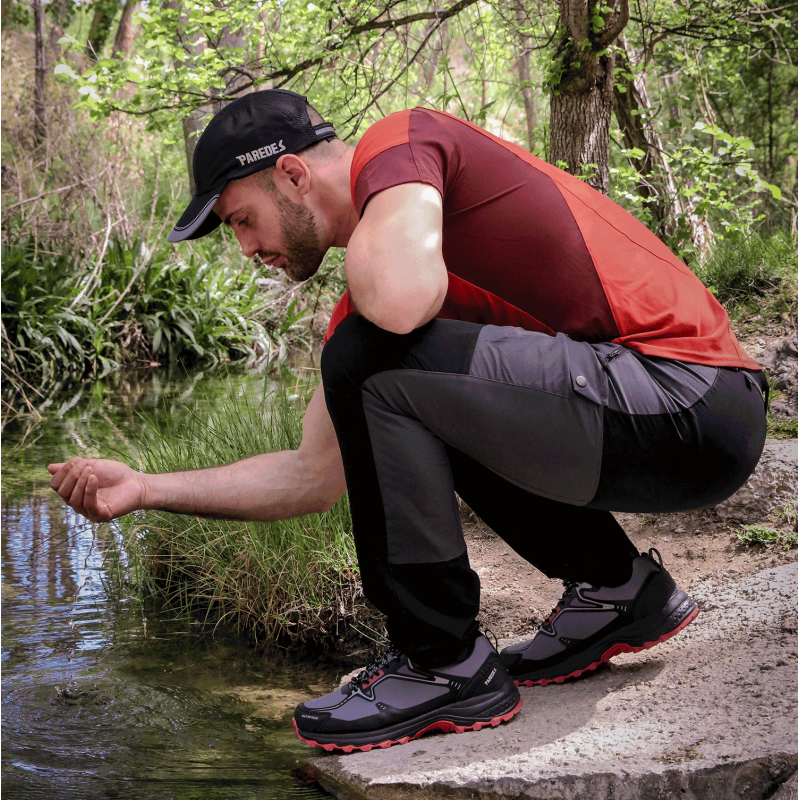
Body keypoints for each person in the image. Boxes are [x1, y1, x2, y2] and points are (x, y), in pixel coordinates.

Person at [49, 89, 768, 753]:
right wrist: (145, 487)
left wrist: (352, 297)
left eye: (242, 218)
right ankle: (619, 591)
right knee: (377, 366)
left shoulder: (403, 144)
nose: (246, 248)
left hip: (691, 395)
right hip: (659, 420)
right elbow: (311, 477)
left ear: (294, 174)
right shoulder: (394, 303)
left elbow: (393, 306)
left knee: (365, 356)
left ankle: (442, 662)